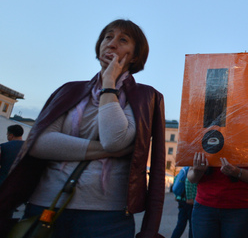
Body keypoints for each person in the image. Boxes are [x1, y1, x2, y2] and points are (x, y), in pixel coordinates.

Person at [0, 19, 166, 238]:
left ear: (135, 56)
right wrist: (109, 152)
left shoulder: (145, 96)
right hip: (45, 206)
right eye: (108, 37)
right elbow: (40, 143)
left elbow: (114, 139)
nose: (112, 43)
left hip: (107, 218)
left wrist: (109, 83)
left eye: (123, 40)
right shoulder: (69, 90)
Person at [188, 129, 248, 238]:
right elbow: (191, 177)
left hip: (238, 209)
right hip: (205, 208)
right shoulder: (202, 129)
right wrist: (198, 171)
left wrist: (237, 172)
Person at [171, 166, 197, 238]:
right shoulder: (192, 168)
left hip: (181, 200)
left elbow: (176, 178)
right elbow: (188, 182)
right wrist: (189, 198)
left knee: (180, 224)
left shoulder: (184, 169)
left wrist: (176, 195)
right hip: (189, 201)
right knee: (192, 225)